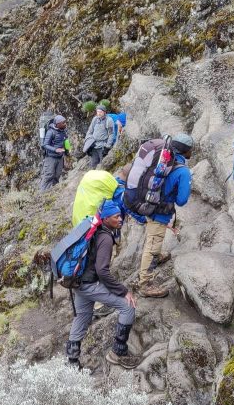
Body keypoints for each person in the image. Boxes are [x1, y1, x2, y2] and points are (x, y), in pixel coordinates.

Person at [65, 200, 142, 369]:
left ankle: (72, 362)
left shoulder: (94, 231)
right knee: (127, 307)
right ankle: (118, 352)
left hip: (78, 283)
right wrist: (123, 291)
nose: (120, 219)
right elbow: (102, 270)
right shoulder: (106, 238)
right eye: (116, 217)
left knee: (82, 317)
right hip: (89, 285)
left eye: (120, 216)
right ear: (106, 219)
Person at [133, 133, 194, 298]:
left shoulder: (163, 161)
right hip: (160, 213)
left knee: (153, 237)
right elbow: (181, 200)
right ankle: (144, 284)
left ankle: (157, 254)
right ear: (186, 151)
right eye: (191, 150)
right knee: (152, 244)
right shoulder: (183, 171)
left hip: (148, 205)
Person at [40, 115, 69, 191]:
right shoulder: (50, 132)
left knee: (57, 176)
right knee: (49, 175)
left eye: (65, 122)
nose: (65, 124)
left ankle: (53, 192)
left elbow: (66, 143)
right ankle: (42, 194)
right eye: (63, 123)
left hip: (60, 158)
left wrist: (67, 152)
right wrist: (55, 149)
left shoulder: (64, 132)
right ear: (58, 124)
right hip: (50, 158)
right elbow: (45, 144)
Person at [82, 104, 115, 169]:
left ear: (104, 112)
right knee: (93, 165)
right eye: (98, 112)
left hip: (103, 146)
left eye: (100, 112)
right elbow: (90, 131)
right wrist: (88, 143)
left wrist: (107, 147)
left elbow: (111, 134)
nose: (99, 113)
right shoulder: (95, 119)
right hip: (94, 146)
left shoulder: (109, 120)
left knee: (103, 166)